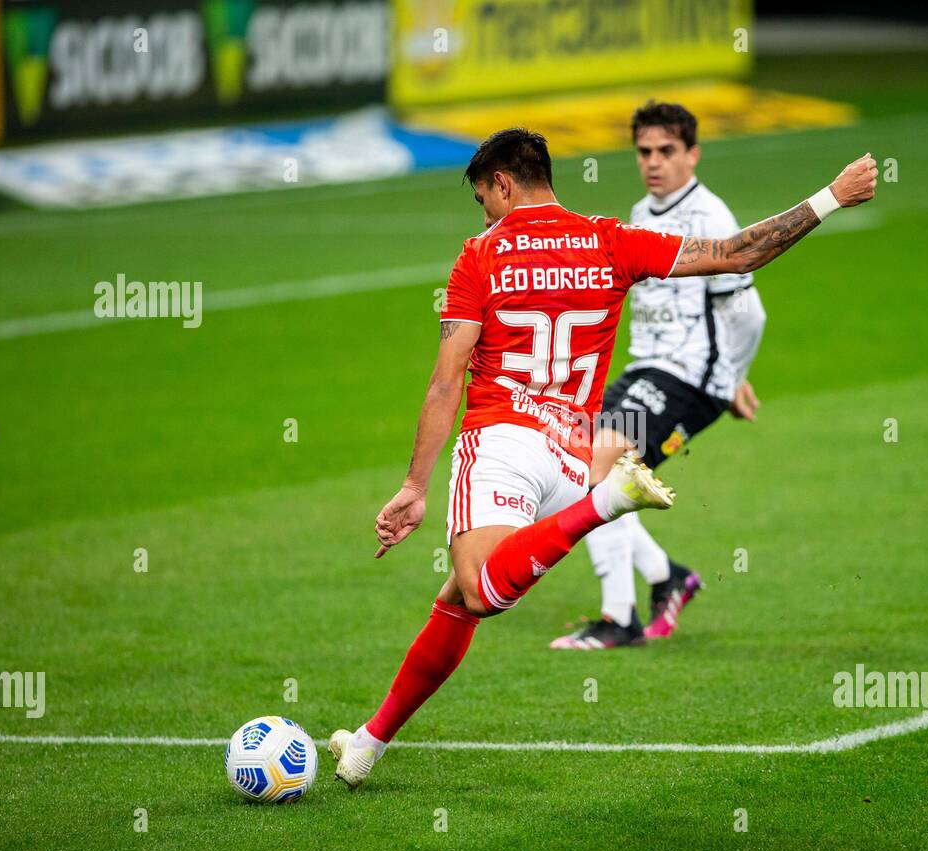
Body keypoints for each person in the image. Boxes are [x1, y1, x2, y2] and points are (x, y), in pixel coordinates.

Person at [328, 127, 877, 788]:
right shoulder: (607, 239)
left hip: (504, 439)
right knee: (457, 598)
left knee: (480, 588)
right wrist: (831, 197)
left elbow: (447, 380)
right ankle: (369, 741)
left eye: (484, 199)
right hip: (571, 451)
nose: (484, 215)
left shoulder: (480, 254)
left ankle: (608, 502)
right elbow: (738, 254)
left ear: (502, 182)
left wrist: (415, 484)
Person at [552, 100, 769, 650]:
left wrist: (727, 380)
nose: (654, 162)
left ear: (692, 154)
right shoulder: (642, 214)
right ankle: (664, 577)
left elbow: (749, 313)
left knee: (596, 462)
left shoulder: (711, 219)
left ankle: (618, 619)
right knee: (580, 469)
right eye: (645, 151)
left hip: (687, 381)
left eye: (666, 151)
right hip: (650, 370)